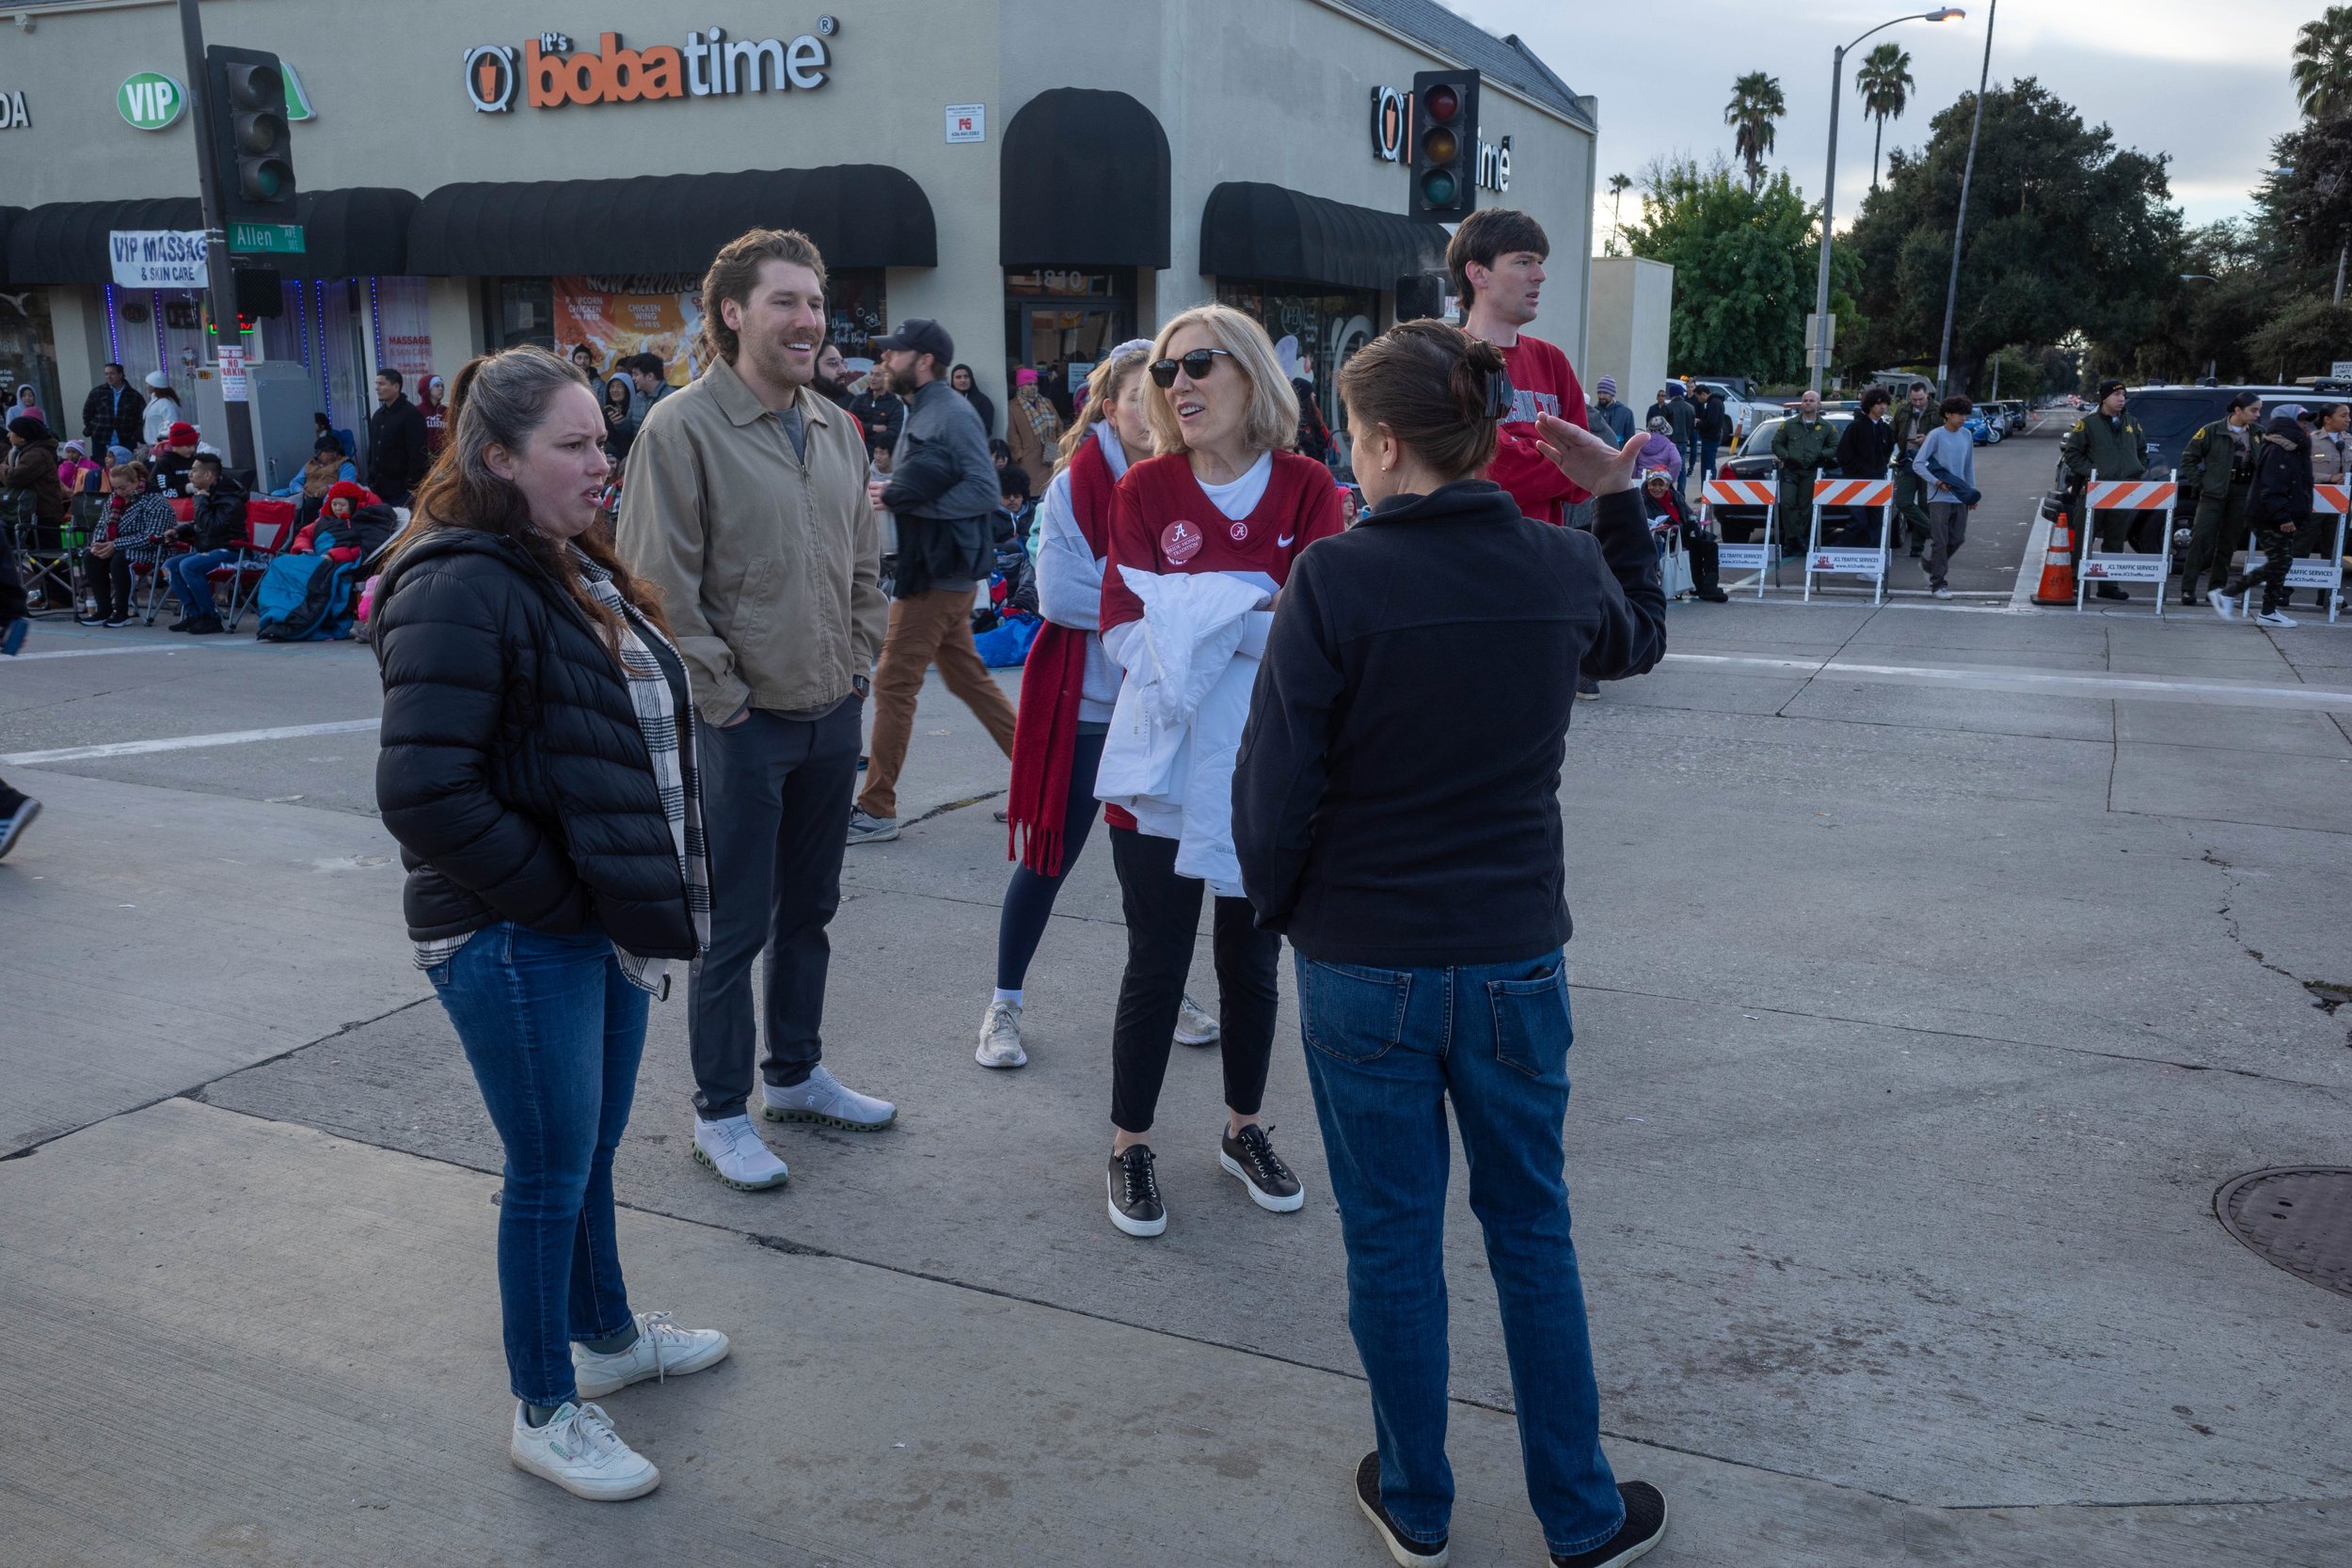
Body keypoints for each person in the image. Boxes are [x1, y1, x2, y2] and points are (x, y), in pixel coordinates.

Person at [1231, 318, 1669, 1568]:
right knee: (1532, 1225)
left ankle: (1417, 1500)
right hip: (1513, 949)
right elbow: (1640, 632)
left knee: (1392, 1235)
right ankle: (1579, 1514)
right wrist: (1619, 494)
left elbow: (1275, 788)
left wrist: (1285, 913)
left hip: (1362, 955)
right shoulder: (1550, 565)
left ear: (1377, 442)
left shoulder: (1335, 578)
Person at [374, 344, 725, 1503]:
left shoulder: (562, 559)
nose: (602, 462)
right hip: (519, 934)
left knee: (586, 1152)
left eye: (601, 438)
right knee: (546, 1168)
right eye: (572, 445)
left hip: (592, 919)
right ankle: (544, 1402)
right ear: (496, 459)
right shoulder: (458, 580)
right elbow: (426, 790)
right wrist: (559, 897)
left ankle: (608, 1337)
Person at [616, 227, 894, 1192]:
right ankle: (721, 1110)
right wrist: (724, 703)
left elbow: (864, 564)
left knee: (810, 908)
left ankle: (796, 1071)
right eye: (785, 301)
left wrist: (860, 661)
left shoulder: (834, 426)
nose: (807, 320)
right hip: (740, 723)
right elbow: (657, 588)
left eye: (815, 302)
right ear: (730, 313)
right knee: (734, 926)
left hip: (830, 708)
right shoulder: (681, 428)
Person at [1092, 302, 1344, 1239]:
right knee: (1153, 965)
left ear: (1249, 373)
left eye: (1198, 364)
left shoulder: (1309, 485)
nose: (1178, 384)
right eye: (1164, 372)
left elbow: (1315, 634)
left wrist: (1195, 613)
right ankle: (1128, 1144)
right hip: (1159, 770)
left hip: (1266, 769)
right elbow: (1123, 633)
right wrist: (1251, 607)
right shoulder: (1145, 491)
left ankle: (1242, 1128)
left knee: (1251, 962)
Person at [982, 341, 1224, 1069]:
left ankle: (1166, 987)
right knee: (1049, 856)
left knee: (1156, 868)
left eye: (1160, 397)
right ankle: (1004, 1004)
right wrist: (1169, 604)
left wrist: (1151, 601)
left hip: (1161, 705)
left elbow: (1218, 586)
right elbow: (1059, 597)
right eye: (1134, 398)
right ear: (1108, 407)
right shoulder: (1071, 488)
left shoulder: (1196, 483)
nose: (1149, 412)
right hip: (1086, 702)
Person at [848, 317, 1021, 846]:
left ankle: (876, 808)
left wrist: (904, 495)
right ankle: (1043, 784)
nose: (883, 362)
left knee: (894, 683)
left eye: (893, 354)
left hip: (937, 576)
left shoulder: (949, 412)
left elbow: (982, 493)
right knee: (971, 682)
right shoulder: (923, 408)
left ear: (922, 360)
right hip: (939, 571)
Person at [1451, 208, 1590, 529]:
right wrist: (1561, 462)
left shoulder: (1552, 361)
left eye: (1540, 263)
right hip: (1470, 557)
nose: (1540, 275)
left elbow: (1586, 475)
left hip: (1544, 558)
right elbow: (1485, 471)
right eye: (1524, 262)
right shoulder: (1446, 358)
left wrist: (1518, 449)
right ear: (1478, 273)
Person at [2211, 407, 2316, 628]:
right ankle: (2228, 594)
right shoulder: (2280, 449)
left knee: (2283, 562)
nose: (2306, 425)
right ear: (2288, 423)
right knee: (2280, 561)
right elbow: (2271, 487)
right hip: (2269, 517)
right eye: (2302, 420)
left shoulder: (2293, 448)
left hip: (2281, 515)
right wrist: (2283, 516)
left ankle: (2268, 611)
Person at [2058, 380, 2145, 603]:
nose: (2121, 398)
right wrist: (2093, 472)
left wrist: (2137, 469)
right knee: (2084, 538)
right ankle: (2078, 581)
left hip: (2123, 490)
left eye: (2123, 395)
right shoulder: (2088, 424)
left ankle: (2109, 584)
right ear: (2104, 398)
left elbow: (2142, 450)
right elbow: (2072, 453)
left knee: (2116, 539)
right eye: (2116, 395)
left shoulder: (2132, 423)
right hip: (2094, 490)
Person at [2177, 391, 2264, 608]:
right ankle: (2188, 589)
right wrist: (2201, 483)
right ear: (2237, 410)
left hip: (2241, 492)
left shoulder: (2258, 433)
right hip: (2213, 493)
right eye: (2253, 410)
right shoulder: (2212, 430)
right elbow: (2189, 458)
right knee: (2200, 540)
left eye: (2259, 410)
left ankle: (2216, 590)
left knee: (2228, 544)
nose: (2258, 414)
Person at [162, 452, 246, 634]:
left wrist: (200, 500)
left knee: (188, 566)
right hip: (207, 549)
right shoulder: (209, 494)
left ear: (208, 475)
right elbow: (200, 524)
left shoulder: (230, 498)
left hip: (230, 550)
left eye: (194, 470)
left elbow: (213, 527)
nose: (190, 475)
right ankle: (195, 614)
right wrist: (178, 531)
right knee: (169, 566)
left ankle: (211, 617)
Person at [83, 459, 174, 626]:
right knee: (91, 557)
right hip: (118, 546)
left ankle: (122, 612)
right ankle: (103, 609)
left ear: (135, 482)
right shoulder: (113, 499)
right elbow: (102, 524)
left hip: (151, 549)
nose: (118, 491)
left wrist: (115, 545)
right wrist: (99, 544)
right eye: (114, 488)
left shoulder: (155, 501)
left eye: (122, 487)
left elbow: (153, 536)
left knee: (120, 560)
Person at [1913, 395, 1980, 601]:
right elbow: (1918, 463)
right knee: (1940, 541)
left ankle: (1929, 565)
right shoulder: (1936, 435)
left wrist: (1972, 493)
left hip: (1959, 496)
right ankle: (1938, 584)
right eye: (1959, 414)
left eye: (1965, 414)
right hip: (1938, 497)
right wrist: (1936, 482)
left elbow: (1969, 466)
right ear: (1948, 415)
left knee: (1957, 538)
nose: (1963, 418)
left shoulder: (1966, 435)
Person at [1642, 467, 1727, 602]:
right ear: (1648, 484)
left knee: (1710, 546)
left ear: (1668, 485)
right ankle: (1700, 586)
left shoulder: (1676, 496)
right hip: (1664, 538)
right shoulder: (1644, 501)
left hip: (1682, 534)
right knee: (1693, 547)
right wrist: (1682, 528)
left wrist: (1693, 523)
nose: (1657, 488)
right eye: (1653, 484)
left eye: (1660, 484)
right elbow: (1652, 526)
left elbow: (1689, 514)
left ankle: (1708, 586)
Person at [1771, 389, 1836, 559]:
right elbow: (1777, 443)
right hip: (1791, 470)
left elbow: (1835, 447)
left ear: (1818, 404)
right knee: (1787, 503)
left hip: (1812, 471)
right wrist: (1786, 456)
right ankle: (1796, 539)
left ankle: (1795, 541)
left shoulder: (1827, 427)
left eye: (1811, 401)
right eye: (1805, 400)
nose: (1808, 403)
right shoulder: (1789, 424)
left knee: (1805, 508)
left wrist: (1821, 455)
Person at [1832, 387, 1896, 546]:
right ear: (1870, 405)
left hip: (1878, 483)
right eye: (1878, 404)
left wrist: (1880, 469)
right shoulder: (1856, 427)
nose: (1882, 407)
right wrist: (1857, 471)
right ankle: (1837, 551)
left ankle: (1871, 559)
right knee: (1858, 521)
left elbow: (1887, 452)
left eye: (1885, 404)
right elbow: (1843, 454)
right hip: (1856, 482)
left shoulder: (1885, 429)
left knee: (1876, 522)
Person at [1887, 382, 1937, 558]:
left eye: (1921, 399)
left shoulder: (1938, 410)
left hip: (1929, 462)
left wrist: (1928, 439)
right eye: (1914, 399)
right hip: (1907, 460)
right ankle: (1934, 532)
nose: (1917, 403)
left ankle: (1917, 547)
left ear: (1927, 395)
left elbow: (1945, 435)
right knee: (1902, 501)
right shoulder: (1902, 411)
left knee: (1924, 504)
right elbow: (1892, 433)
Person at [368, 369, 431, 507]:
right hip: (378, 488)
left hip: (401, 490)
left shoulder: (411, 414)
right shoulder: (378, 415)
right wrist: (371, 478)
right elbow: (372, 449)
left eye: (382, 384)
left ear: (396, 386)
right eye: (376, 383)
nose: (377, 388)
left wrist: (412, 484)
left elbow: (418, 452)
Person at [3, 418, 64, 549]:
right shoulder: (16, 452)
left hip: (45, 513)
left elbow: (14, 478)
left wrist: (1, 468)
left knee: (49, 557)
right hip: (26, 512)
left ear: (22, 437)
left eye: (11, 432)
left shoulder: (37, 454)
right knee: (35, 557)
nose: (8, 435)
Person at [1006, 367, 1063, 495]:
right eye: (1029, 384)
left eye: (1035, 384)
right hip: (1029, 458)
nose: (1033, 387)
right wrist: (1019, 455)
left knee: (1051, 492)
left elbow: (1058, 425)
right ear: (1020, 386)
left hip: (1051, 453)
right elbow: (1012, 434)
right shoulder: (1012, 407)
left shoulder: (1046, 402)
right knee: (1033, 493)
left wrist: (1058, 445)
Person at [79, 363, 145, 453]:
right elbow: (87, 413)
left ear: (121, 375)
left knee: (125, 466)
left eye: (112, 374)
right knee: (101, 465)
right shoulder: (97, 392)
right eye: (106, 374)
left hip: (126, 439)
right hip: (101, 439)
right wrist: (93, 429)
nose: (109, 377)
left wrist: (135, 435)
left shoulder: (133, 395)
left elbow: (141, 417)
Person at [848, 362, 907, 454]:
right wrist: (873, 428)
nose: (872, 378)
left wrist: (861, 427)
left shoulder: (895, 405)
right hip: (854, 452)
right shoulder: (859, 399)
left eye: (877, 375)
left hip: (877, 459)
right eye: (871, 374)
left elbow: (892, 435)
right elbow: (848, 424)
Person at [1691, 384, 1729, 488]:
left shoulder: (1713, 403)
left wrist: (1698, 424)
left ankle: (1708, 490)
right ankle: (1709, 490)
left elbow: (1711, 422)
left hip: (1710, 438)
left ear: (1703, 394)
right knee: (1710, 465)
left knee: (1707, 466)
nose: (1698, 399)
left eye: (1698, 396)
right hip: (1712, 437)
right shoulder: (1716, 402)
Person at [152, 421, 202, 497]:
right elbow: (164, 492)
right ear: (176, 445)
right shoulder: (164, 464)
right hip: (175, 506)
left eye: (194, 445)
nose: (192, 449)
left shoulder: (196, 460)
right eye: (188, 446)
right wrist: (186, 489)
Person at [948, 361, 996, 437]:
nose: (963, 380)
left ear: (971, 379)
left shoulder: (983, 401)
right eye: (958, 377)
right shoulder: (946, 402)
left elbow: (986, 430)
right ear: (953, 381)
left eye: (966, 376)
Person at [600, 374, 638, 468]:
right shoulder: (605, 412)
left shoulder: (635, 412)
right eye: (612, 386)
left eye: (619, 386)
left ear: (628, 389)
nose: (615, 390)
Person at [1586, 375, 1634, 447]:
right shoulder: (1593, 413)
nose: (1601, 396)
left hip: (1618, 455)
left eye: (1605, 393)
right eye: (1599, 393)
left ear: (1612, 393)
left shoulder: (1626, 413)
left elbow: (1631, 441)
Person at [140, 371, 183, 451]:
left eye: (148, 384)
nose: (146, 387)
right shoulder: (156, 400)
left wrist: (162, 442)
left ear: (154, 386)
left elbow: (171, 424)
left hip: (162, 447)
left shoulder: (166, 403)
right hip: (156, 446)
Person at [813, 341, 858, 412]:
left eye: (843, 363)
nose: (843, 370)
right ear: (810, 368)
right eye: (833, 363)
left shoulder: (850, 405)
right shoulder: (794, 407)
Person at [627, 355, 674, 420]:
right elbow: (629, 428)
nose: (633, 378)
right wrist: (619, 424)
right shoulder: (637, 398)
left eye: (636, 374)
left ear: (650, 376)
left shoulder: (672, 397)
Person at [419, 373, 452, 458]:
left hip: (443, 459)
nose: (441, 389)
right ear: (427, 389)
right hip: (423, 458)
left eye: (442, 386)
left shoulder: (447, 411)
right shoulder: (417, 411)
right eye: (437, 386)